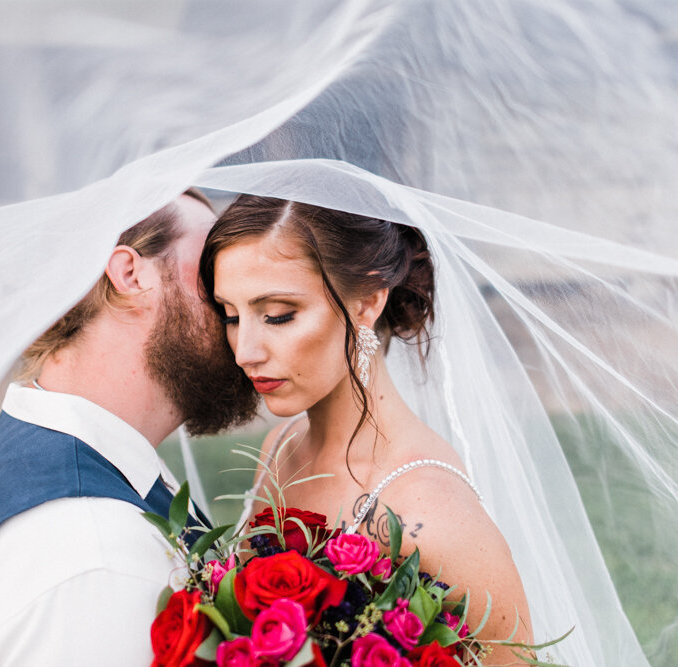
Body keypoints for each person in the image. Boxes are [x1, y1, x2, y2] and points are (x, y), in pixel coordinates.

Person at [0, 190, 259, 666]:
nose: (235, 299)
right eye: (211, 267)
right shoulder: (97, 558)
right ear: (130, 274)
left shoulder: (66, 443)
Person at [200, 195, 532, 665]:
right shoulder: (281, 446)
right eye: (232, 317)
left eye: (277, 314)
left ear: (369, 300)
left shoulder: (437, 519)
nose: (245, 351)